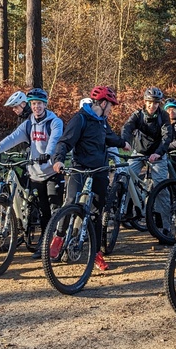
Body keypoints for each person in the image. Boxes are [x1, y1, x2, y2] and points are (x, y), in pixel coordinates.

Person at [0, 87, 64, 257]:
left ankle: (57, 242)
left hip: (50, 171)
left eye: (40, 104)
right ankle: (44, 240)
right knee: (42, 211)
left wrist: (47, 154)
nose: (36, 107)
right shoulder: (28, 124)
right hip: (35, 173)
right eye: (33, 104)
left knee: (54, 208)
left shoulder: (54, 122)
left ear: (45, 104)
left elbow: (54, 140)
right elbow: (10, 140)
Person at [51, 85, 124, 271]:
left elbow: (109, 137)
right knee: (70, 201)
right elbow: (65, 142)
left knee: (97, 213)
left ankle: (96, 252)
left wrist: (123, 143)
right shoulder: (80, 118)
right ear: (103, 103)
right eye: (111, 105)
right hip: (80, 167)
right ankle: (58, 238)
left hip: (99, 169)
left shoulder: (102, 121)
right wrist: (58, 160)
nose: (111, 109)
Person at [121, 86, 174, 228]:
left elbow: (167, 136)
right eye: (150, 102)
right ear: (145, 102)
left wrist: (158, 153)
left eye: (156, 103)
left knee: (160, 186)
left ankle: (165, 226)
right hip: (139, 151)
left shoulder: (163, 115)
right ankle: (125, 212)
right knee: (125, 177)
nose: (152, 105)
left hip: (157, 154)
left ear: (159, 104)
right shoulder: (138, 115)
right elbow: (127, 127)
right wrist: (125, 141)